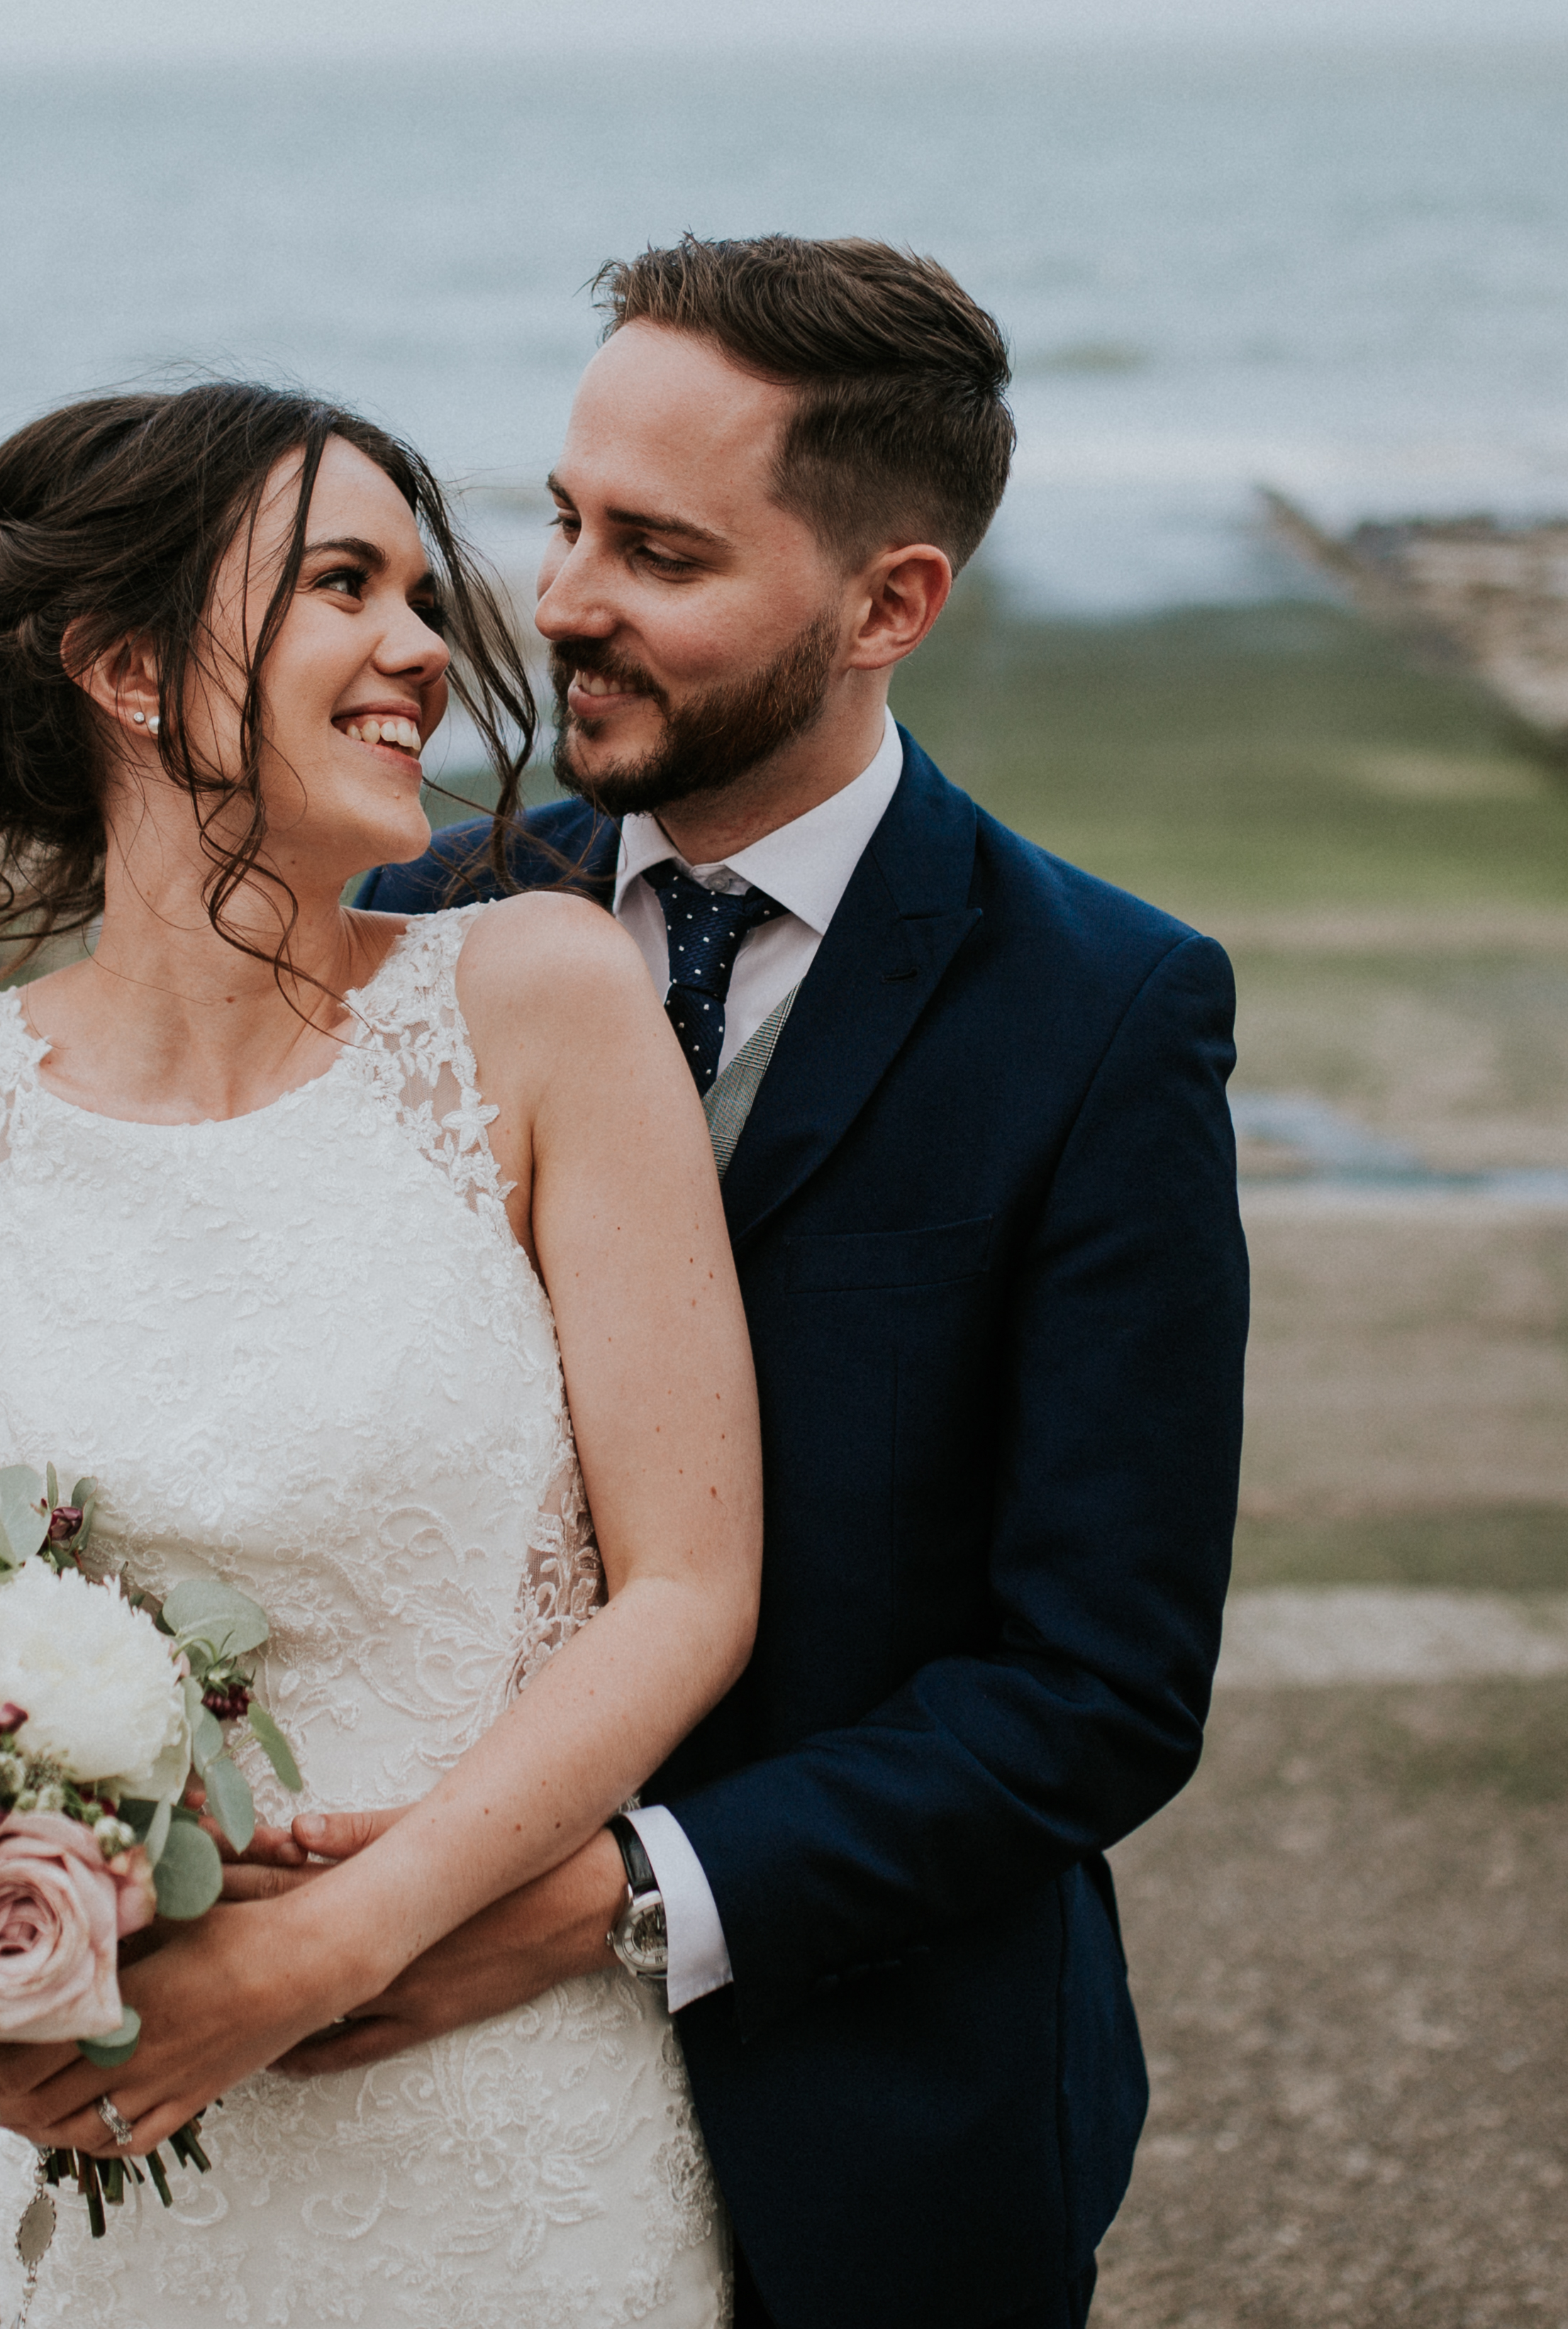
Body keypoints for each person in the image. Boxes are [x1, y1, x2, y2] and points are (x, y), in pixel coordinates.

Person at [269, 235, 1252, 2328]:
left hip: (891, 2122)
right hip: (418, 2117)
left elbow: (1101, 1684)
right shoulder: (405, 932)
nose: (556, 604)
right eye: (558, 518)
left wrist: (618, 1895)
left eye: (660, 551)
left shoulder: (1106, 1012)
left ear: (889, 602)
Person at [0, 382, 758, 2325]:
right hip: (144, 2138)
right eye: (344, 584)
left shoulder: (542, 1002)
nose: (423, 646)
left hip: (502, 2098)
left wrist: (337, 1949)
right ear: (129, 670)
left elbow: (693, 1587)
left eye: (420, 591)